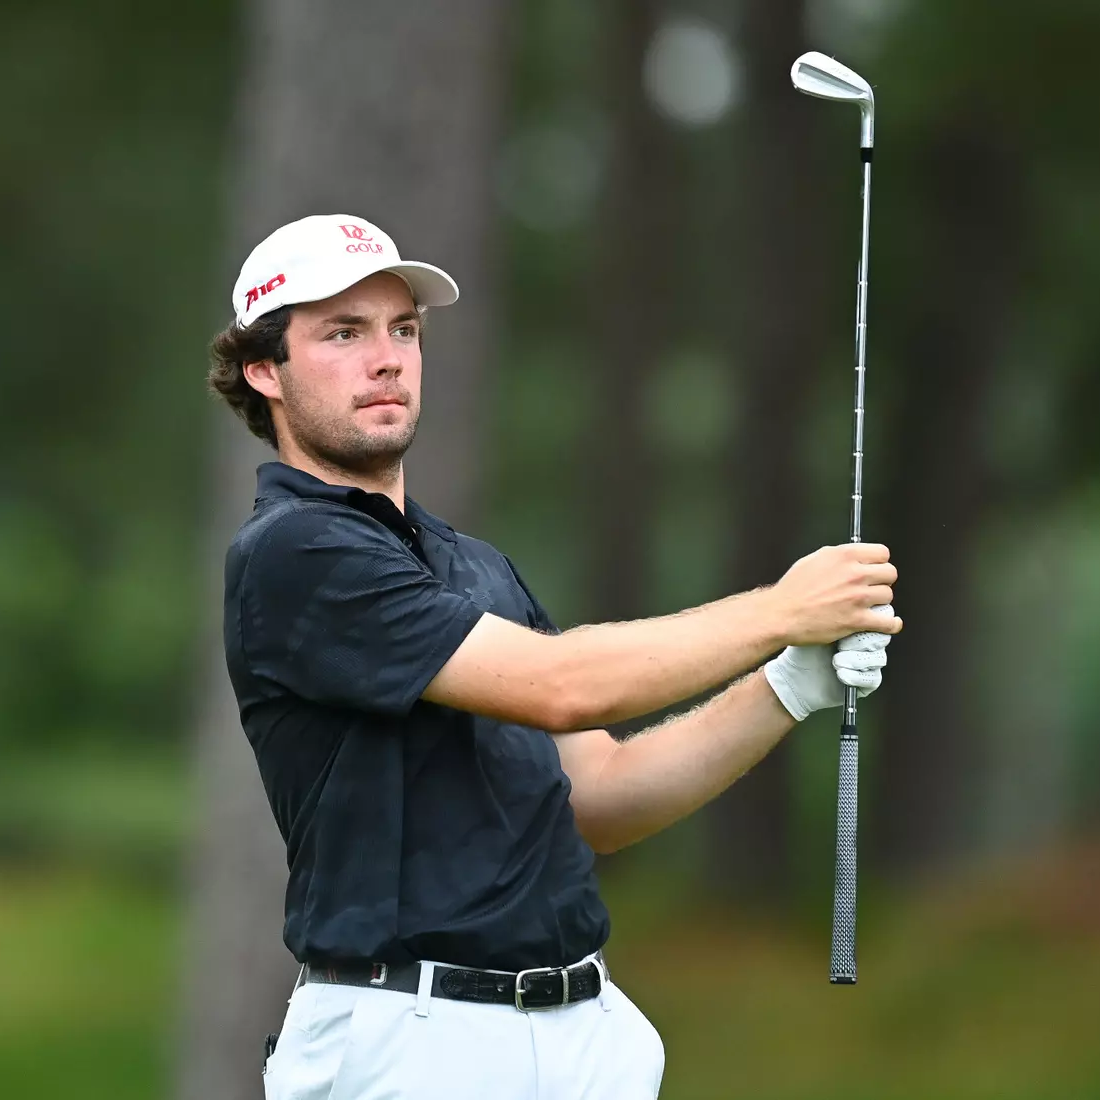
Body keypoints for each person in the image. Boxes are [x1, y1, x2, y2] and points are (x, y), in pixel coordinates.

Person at [209, 215, 901, 1100]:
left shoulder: (475, 566)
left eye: (403, 330)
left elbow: (600, 798)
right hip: (412, 1044)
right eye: (343, 333)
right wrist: (779, 612)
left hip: (583, 1034)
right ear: (265, 369)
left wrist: (786, 684)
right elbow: (563, 687)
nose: (387, 359)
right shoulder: (293, 552)